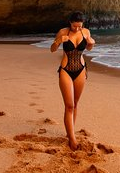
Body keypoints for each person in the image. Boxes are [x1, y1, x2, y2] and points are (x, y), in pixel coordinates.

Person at [50, 11, 95, 150]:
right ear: (70, 23)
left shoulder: (85, 32)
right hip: (65, 70)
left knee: (75, 104)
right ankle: (72, 139)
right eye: (75, 26)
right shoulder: (63, 32)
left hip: (81, 69)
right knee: (69, 105)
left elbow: (88, 48)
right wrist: (58, 41)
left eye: (79, 26)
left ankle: (71, 132)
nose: (77, 29)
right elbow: (52, 49)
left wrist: (91, 43)